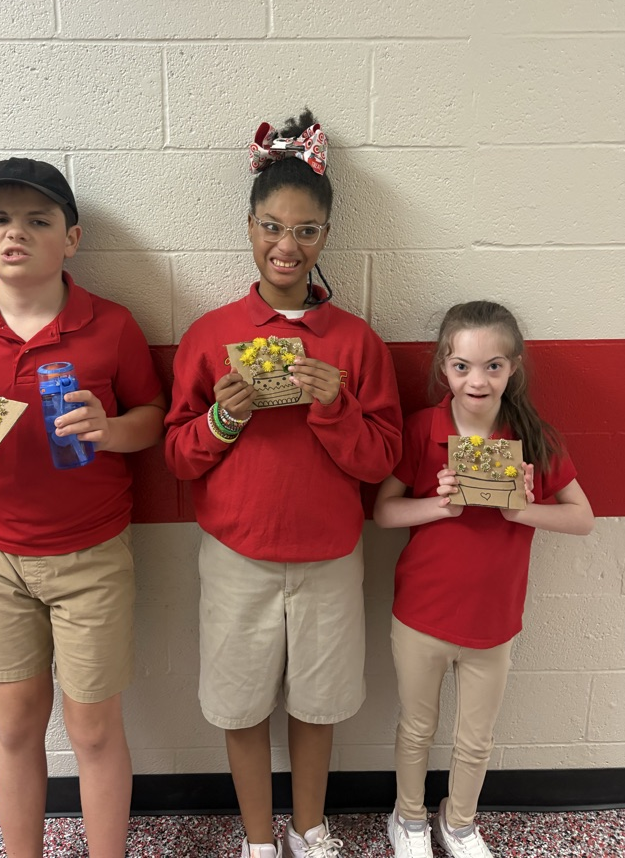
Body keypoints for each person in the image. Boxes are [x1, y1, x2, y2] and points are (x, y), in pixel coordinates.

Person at [0, 158, 166, 858]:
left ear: (71, 239)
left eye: (37, 220)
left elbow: (153, 415)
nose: (15, 233)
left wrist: (109, 430)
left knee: (93, 729)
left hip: (91, 558)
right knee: (15, 724)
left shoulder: (110, 326)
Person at [165, 112, 403, 858]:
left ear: (326, 237)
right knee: (239, 704)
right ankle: (258, 840)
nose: (286, 245)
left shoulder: (356, 341)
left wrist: (334, 407)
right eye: (271, 226)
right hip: (237, 555)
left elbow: (379, 461)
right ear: (249, 226)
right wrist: (222, 421)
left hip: (331, 555)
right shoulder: (210, 335)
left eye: (305, 231)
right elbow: (177, 457)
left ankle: (310, 828)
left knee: (320, 702)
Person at [373, 301, 594, 858]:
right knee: (416, 729)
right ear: (444, 368)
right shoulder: (423, 430)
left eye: (494, 366)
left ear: (513, 368)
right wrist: (437, 507)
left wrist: (523, 511)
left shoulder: (533, 437)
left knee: (476, 738)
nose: (478, 379)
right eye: (464, 366)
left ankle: (462, 821)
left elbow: (582, 518)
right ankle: (409, 818)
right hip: (421, 615)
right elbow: (383, 513)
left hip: (493, 623)